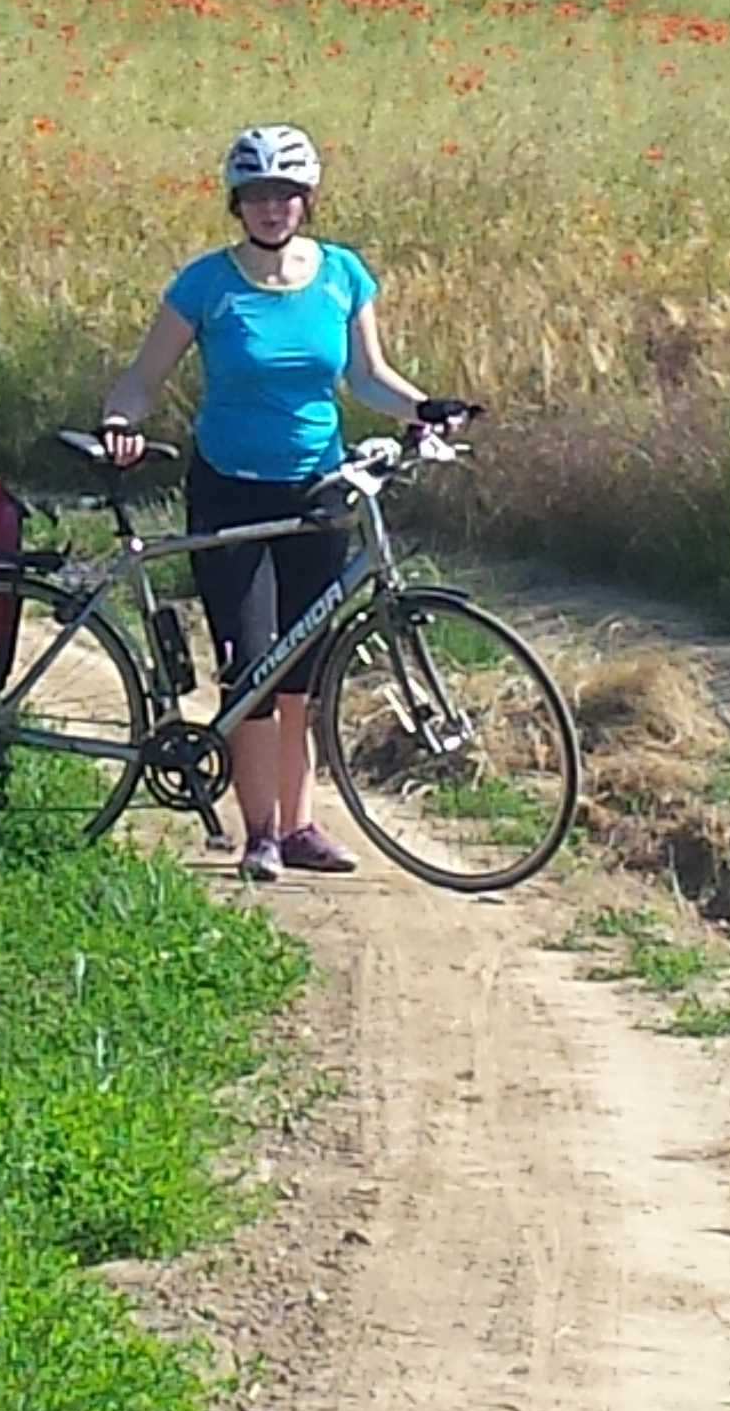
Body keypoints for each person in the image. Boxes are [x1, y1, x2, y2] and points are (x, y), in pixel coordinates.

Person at [96, 126, 472, 883]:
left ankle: (301, 826)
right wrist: (119, 422)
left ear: (308, 201)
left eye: (286, 195)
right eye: (258, 196)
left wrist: (422, 408)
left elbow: (368, 378)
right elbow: (144, 375)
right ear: (238, 205)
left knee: (304, 666)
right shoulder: (206, 284)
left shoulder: (341, 275)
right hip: (229, 489)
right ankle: (259, 832)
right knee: (252, 662)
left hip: (319, 492)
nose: (273, 209)